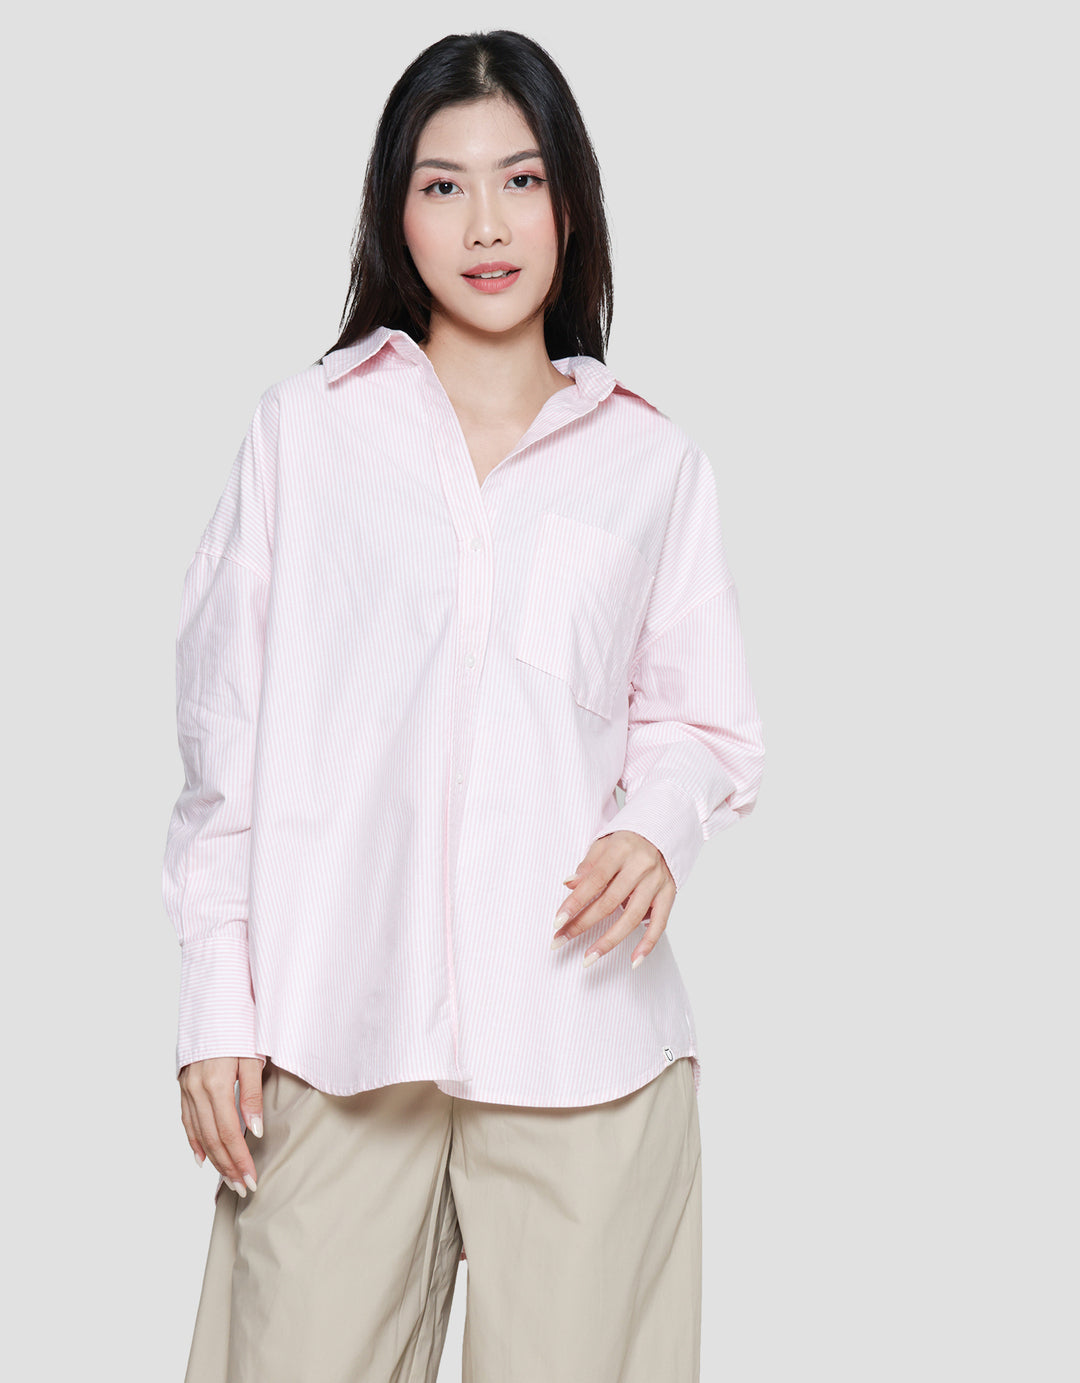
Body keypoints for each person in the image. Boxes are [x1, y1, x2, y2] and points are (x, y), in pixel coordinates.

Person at [163, 28, 765, 1383]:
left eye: (521, 180)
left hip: (585, 1046)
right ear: (396, 213)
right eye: (444, 186)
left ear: (571, 206)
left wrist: (658, 824)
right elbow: (224, 747)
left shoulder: (652, 464)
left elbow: (702, 722)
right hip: (335, 1033)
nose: (486, 225)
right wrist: (217, 1006)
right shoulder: (305, 433)